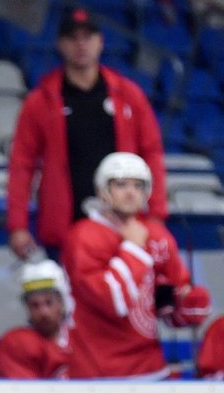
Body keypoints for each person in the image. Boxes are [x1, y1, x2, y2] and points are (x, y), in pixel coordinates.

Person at [7, 8, 166, 259]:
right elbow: (22, 164)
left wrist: (156, 215)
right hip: (65, 230)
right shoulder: (41, 101)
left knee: (126, 295)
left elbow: (152, 154)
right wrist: (17, 225)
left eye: (88, 37)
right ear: (61, 44)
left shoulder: (128, 95)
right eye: (73, 37)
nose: (81, 45)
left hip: (125, 228)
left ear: (101, 42)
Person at [61, 152, 211, 379]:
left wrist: (188, 303)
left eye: (138, 185)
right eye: (121, 184)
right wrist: (133, 249)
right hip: (97, 373)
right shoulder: (83, 236)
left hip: (151, 369)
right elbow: (110, 300)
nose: (130, 192)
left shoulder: (156, 235)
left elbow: (169, 306)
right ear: (102, 190)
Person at [0, 259, 72, 379]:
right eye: (35, 305)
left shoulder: (83, 340)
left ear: (62, 303)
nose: (43, 312)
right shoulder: (16, 344)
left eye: (49, 303)